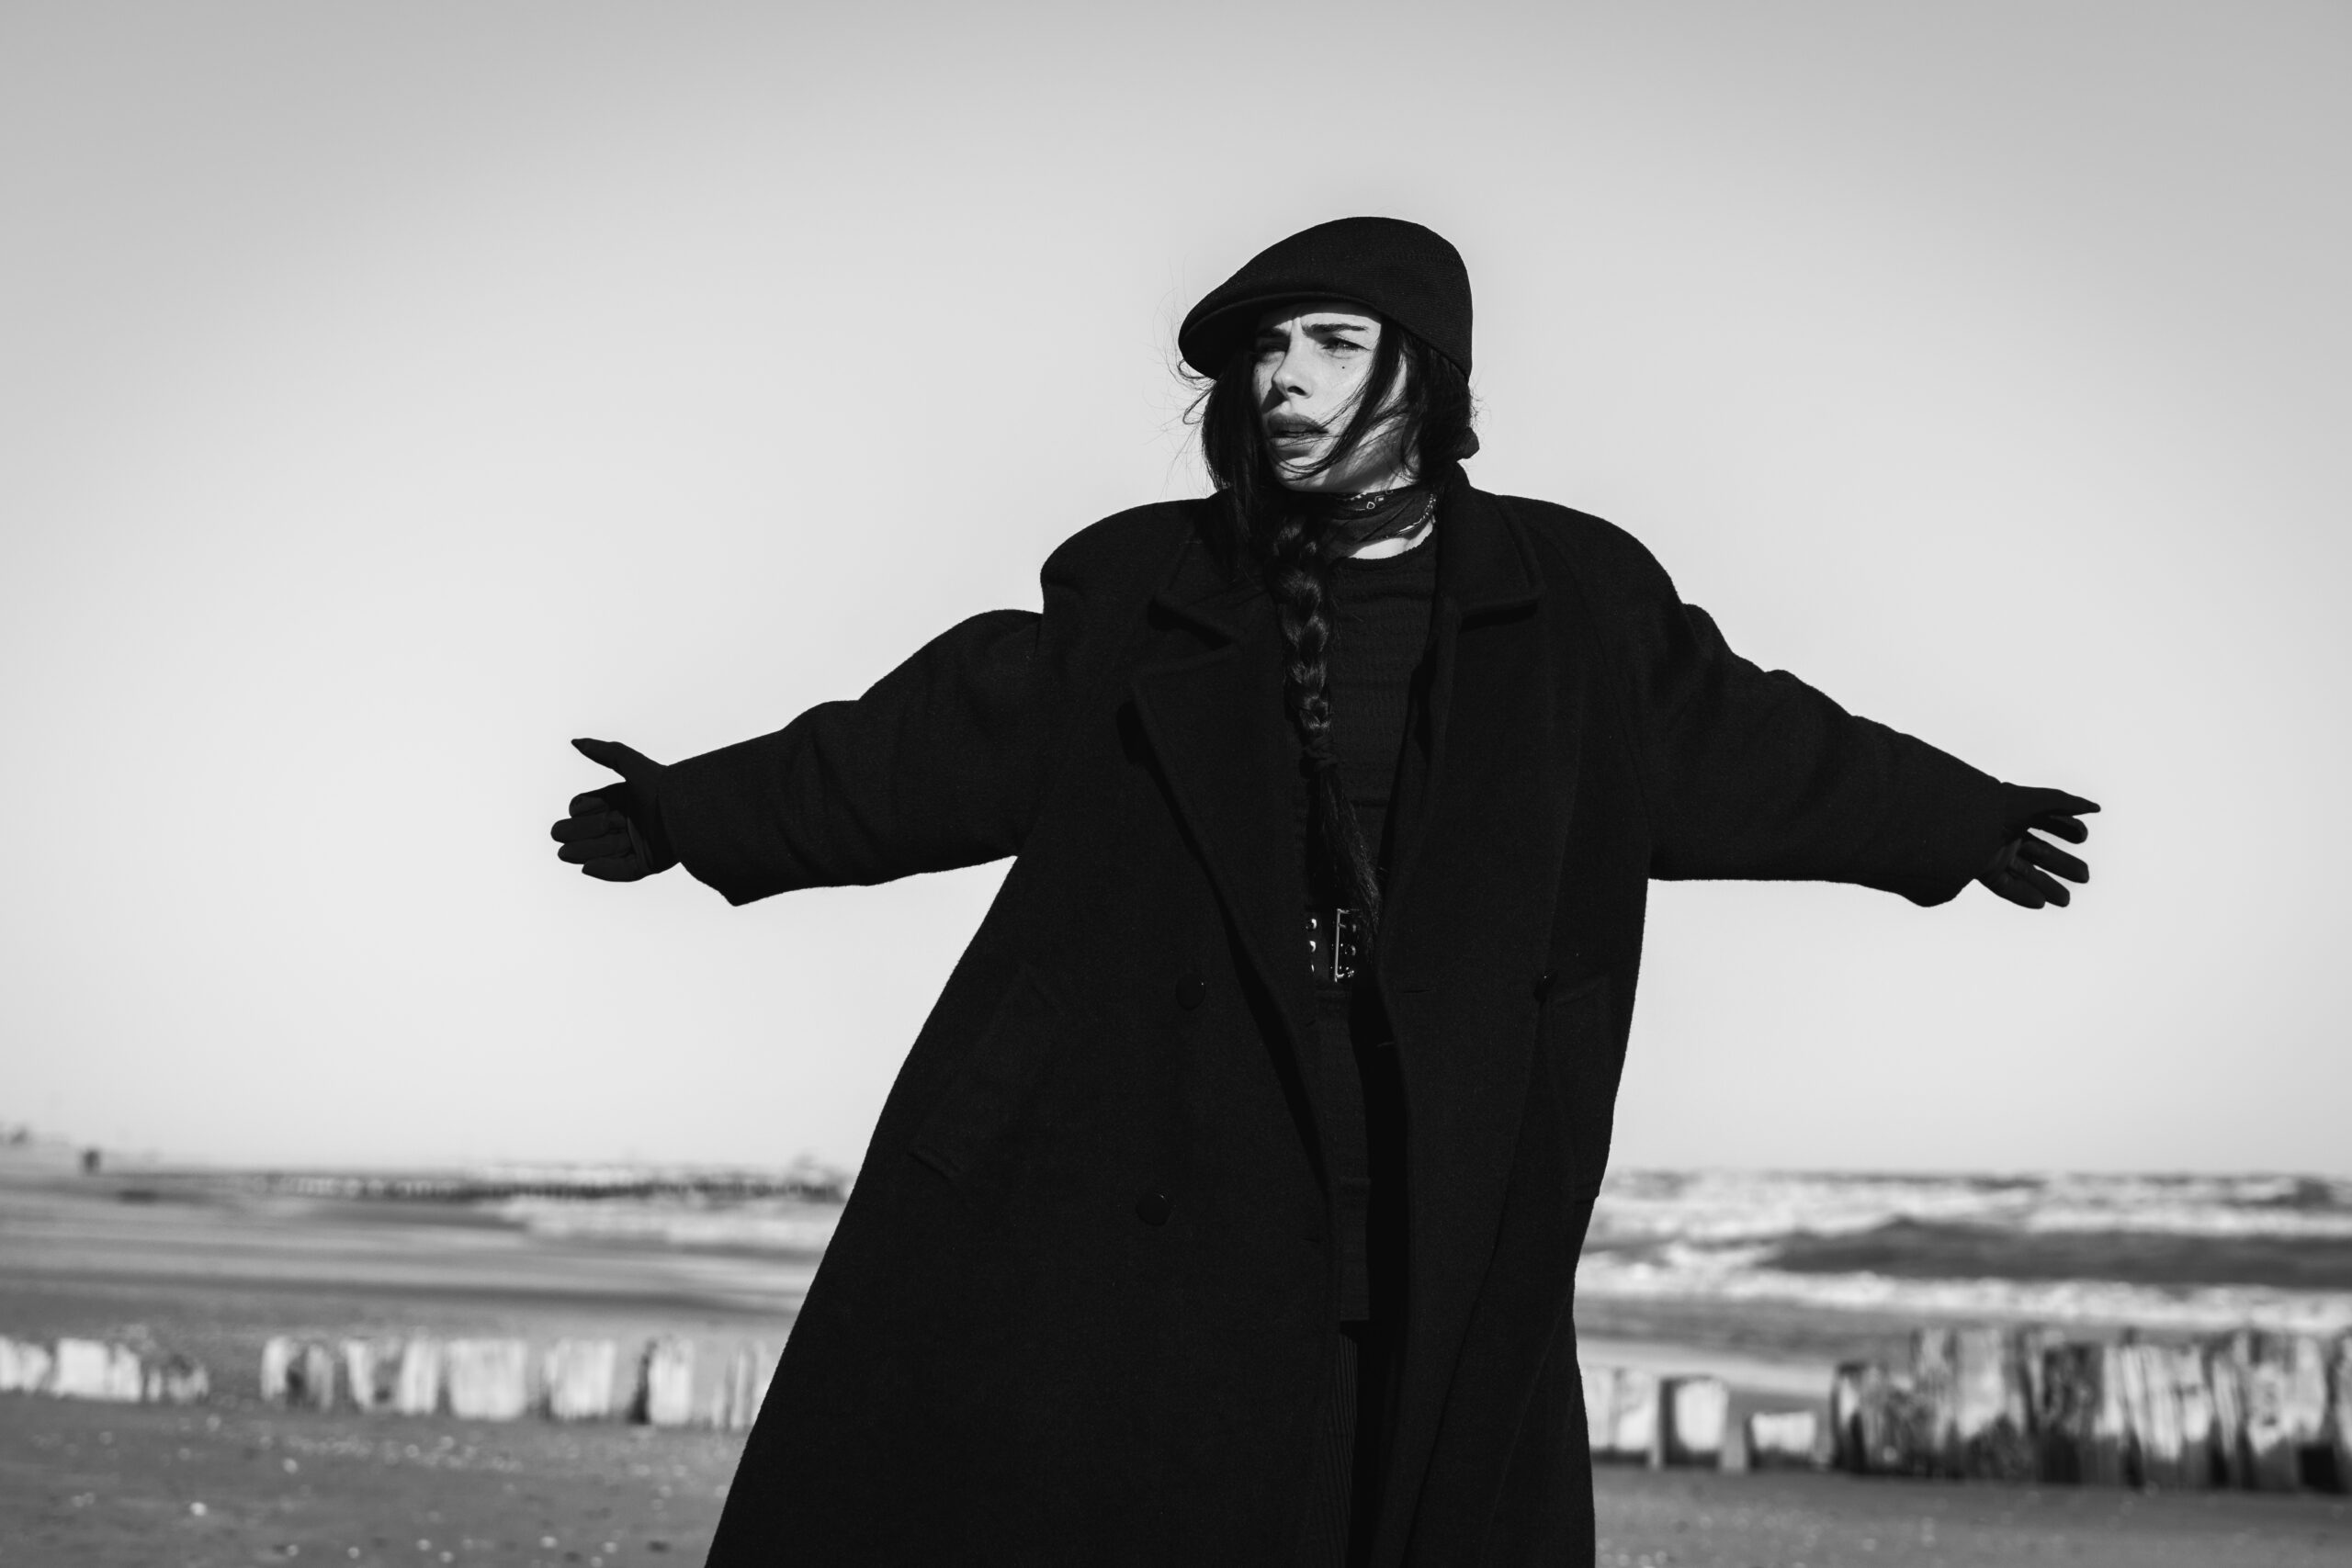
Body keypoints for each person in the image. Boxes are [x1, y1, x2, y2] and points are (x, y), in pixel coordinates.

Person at [550, 216, 2095, 1568]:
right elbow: (934, 743)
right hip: (1142, 1139)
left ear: (1427, 375)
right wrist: (693, 811)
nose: (1281, 377)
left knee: (1389, 1494)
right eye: (1266, 349)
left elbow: (1745, 740)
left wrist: (1952, 819)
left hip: (1430, 1151)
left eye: (1331, 343)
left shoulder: (1572, 603)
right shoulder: (1149, 589)